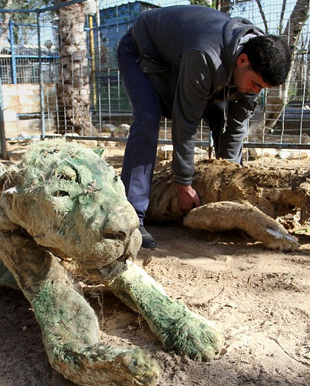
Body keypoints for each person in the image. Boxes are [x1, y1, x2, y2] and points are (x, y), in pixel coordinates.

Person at [117, 5, 292, 248]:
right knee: (148, 118)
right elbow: (185, 121)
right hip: (142, 53)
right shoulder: (206, 56)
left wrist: (231, 182)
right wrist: (184, 183)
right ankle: (132, 217)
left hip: (181, 57)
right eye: (255, 84)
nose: (256, 92)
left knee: (220, 113)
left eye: (262, 88)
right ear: (243, 60)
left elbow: (235, 127)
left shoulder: (257, 57)